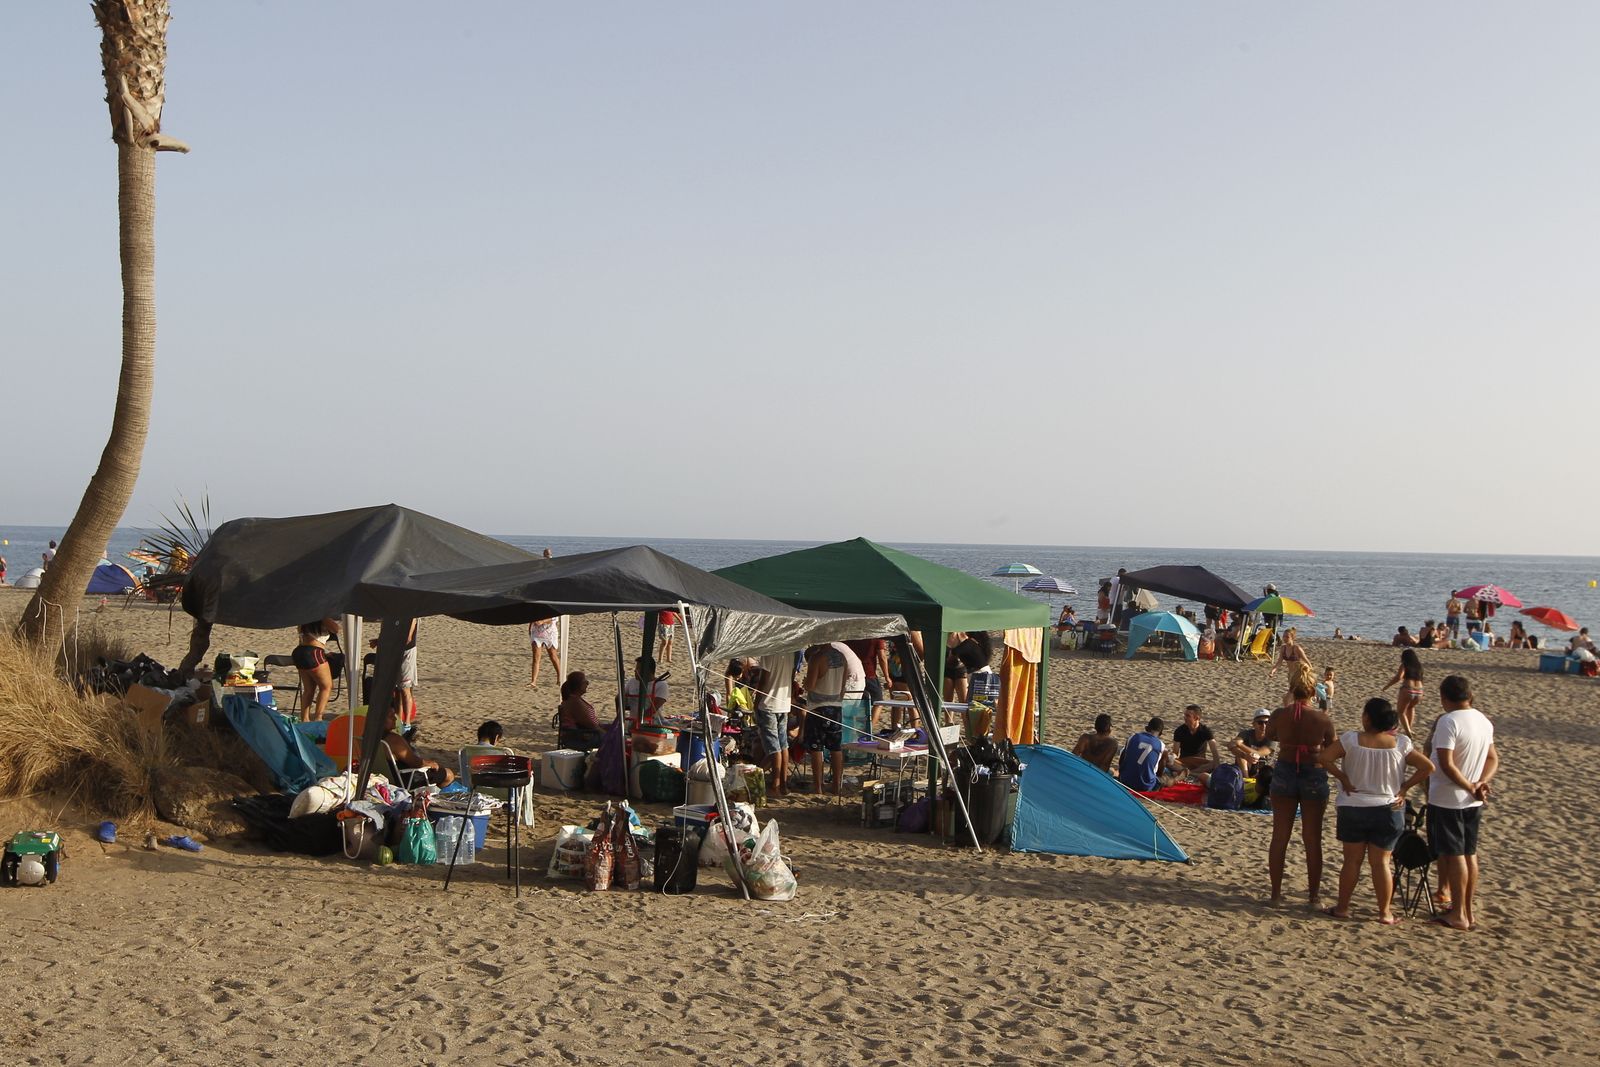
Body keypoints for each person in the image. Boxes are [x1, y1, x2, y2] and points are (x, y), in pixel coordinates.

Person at [1319, 697, 1435, 924]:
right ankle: (1385, 912)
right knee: (1381, 862)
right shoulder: (1400, 743)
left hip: (1354, 805)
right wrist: (1404, 788)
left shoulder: (1352, 740)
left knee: (1351, 861)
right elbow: (1427, 767)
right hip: (1387, 807)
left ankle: (1343, 908)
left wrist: (1343, 777)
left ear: (1368, 718)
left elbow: (1324, 758)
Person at [1427, 674, 1498, 931]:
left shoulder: (1448, 721)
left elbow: (1445, 763)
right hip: (1471, 799)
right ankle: (1466, 910)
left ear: (1445, 698)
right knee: (1469, 853)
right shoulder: (1483, 720)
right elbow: (1492, 758)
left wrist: (1471, 785)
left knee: (1455, 853)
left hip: (1450, 798)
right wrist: (1480, 783)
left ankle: (1458, 913)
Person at [1264, 669, 1334, 907]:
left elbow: (1271, 734)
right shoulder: (1322, 718)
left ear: (1291, 690)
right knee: (1312, 838)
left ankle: (1275, 894)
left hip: (1285, 770)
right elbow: (1331, 749)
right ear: (1313, 692)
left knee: (1280, 835)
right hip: (1312, 772)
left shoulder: (1280, 714)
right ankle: (1313, 897)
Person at [801, 642, 865, 796]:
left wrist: (805, 683)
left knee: (816, 748)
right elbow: (843, 686)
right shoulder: (841, 657)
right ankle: (836, 786)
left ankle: (818, 787)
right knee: (835, 747)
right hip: (835, 705)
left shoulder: (818, 658)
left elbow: (810, 685)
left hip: (818, 706)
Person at [745, 653, 793, 797]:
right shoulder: (790, 653)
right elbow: (790, 677)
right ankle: (783, 785)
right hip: (784, 703)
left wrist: (756, 701)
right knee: (783, 745)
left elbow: (764, 679)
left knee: (774, 747)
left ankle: (775, 786)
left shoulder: (770, 654)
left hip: (769, 705)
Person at [381, 703, 454, 785]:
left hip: (383, 779)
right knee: (448, 774)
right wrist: (431, 764)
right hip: (405, 781)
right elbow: (416, 763)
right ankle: (424, 796)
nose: (395, 718)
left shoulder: (369, 738)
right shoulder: (394, 740)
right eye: (391, 716)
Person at [292, 617, 341, 722]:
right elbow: (336, 629)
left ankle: (304, 719)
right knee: (326, 687)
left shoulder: (304, 618)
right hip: (313, 652)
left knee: (309, 689)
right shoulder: (321, 615)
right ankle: (318, 717)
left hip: (299, 652)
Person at [1117, 717, 1172, 792]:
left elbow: (1121, 761)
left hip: (1124, 781)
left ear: (1146, 728)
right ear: (1161, 734)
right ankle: (1178, 778)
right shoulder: (1161, 746)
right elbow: (1159, 773)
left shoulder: (1132, 737)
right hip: (1145, 786)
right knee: (1166, 778)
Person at [1171, 704, 1221, 785]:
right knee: (1170, 761)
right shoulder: (1179, 731)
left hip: (1200, 763)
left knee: (1214, 763)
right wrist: (1172, 758)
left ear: (1197, 718)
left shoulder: (1205, 731)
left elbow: (1214, 751)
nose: (1185, 718)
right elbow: (1175, 752)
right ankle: (1191, 773)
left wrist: (1216, 766)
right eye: (1185, 715)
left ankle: (1189, 773)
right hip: (1184, 762)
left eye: (1188, 716)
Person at [1381, 648, 1424, 736]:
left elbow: (1399, 677)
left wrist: (1387, 686)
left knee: (1401, 712)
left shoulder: (1404, 665)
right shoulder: (1419, 666)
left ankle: (1408, 732)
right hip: (1419, 691)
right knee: (1411, 708)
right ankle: (1410, 729)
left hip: (1408, 689)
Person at [557, 671, 604, 751]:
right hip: (578, 738)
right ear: (578, 685)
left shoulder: (575, 699)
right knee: (614, 738)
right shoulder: (575, 702)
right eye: (584, 681)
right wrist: (605, 733)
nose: (587, 683)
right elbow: (590, 724)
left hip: (580, 734)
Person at [845, 637, 890, 709]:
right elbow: (882, 657)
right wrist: (887, 677)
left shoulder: (851, 635)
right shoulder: (876, 637)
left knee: (856, 702)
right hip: (869, 673)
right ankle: (873, 720)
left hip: (852, 673)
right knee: (878, 702)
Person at [622, 657, 668, 726]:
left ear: (647, 670)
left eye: (638, 668)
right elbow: (619, 700)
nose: (635, 671)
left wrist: (637, 722)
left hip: (652, 724)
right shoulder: (632, 682)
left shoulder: (661, 685)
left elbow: (653, 709)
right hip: (633, 723)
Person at [1232, 709, 1275, 775]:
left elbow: (1259, 753)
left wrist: (1240, 745)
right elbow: (1231, 745)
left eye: (1267, 723)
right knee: (1241, 756)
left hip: (1263, 770)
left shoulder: (1272, 738)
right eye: (1260, 723)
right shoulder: (1246, 733)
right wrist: (1244, 755)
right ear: (1254, 724)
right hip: (1246, 767)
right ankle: (1246, 780)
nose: (1264, 726)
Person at [528, 616, 561, 689]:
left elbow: (554, 618)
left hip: (549, 633)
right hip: (536, 632)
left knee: (553, 656)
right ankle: (533, 681)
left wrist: (542, 621)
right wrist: (530, 626)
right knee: (536, 658)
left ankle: (559, 676)